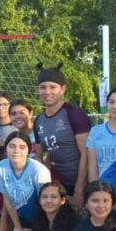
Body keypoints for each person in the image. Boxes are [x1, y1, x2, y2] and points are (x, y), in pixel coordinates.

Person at [33, 63, 91, 209]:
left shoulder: (74, 114)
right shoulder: (39, 120)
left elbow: (87, 154)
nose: (47, 92)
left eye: (52, 87)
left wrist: (79, 189)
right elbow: (40, 157)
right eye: (43, 87)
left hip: (81, 183)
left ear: (63, 89)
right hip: (59, 186)